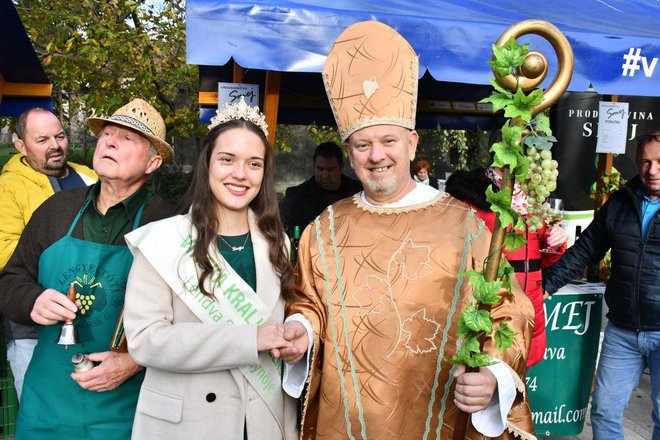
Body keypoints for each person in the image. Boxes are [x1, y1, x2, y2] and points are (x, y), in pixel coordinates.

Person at [277, 21, 536, 439]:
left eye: (388, 141)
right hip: (344, 419)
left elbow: (508, 311)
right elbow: (308, 304)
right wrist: (301, 332)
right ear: (349, 153)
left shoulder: (465, 226)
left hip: (436, 415)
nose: (376, 155)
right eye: (363, 145)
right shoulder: (323, 229)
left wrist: (493, 376)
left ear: (412, 144)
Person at [122, 97, 297, 439]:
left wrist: (292, 340)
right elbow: (145, 341)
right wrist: (249, 338)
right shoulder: (163, 241)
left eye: (254, 164)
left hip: (262, 419)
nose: (240, 174)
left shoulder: (279, 243)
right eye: (227, 159)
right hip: (190, 424)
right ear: (207, 165)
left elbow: (283, 324)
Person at [0, 98, 175, 439]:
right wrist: (31, 300)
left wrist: (134, 361)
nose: (110, 141)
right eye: (108, 133)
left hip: (126, 414)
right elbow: (11, 280)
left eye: (128, 139)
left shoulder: (167, 224)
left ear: (153, 162)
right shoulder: (56, 210)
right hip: (45, 409)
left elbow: (188, 319)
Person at [543, 128, 660, 440]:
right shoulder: (620, 202)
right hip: (623, 330)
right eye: (646, 162)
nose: (652, 170)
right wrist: (546, 285)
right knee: (605, 411)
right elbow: (586, 249)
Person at [0, 108, 96, 399]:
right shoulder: (8, 187)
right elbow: (6, 253)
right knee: (40, 402)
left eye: (60, 136)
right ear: (21, 145)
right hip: (33, 321)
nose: (54, 145)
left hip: (92, 315)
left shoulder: (90, 177)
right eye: (42, 139)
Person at [446, 166, 566, 366]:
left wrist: (556, 241)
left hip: (530, 306)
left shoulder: (531, 197)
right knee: (483, 380)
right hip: (492, 305)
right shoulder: (472, 194)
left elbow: (539, 260)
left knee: (518, 386)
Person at [279, 141, 361, 235]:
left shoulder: (358, 192)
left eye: (330, 170)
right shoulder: (296, 197)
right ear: (314, 167)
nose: (325, 175)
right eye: (320, 169)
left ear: (341, 167)